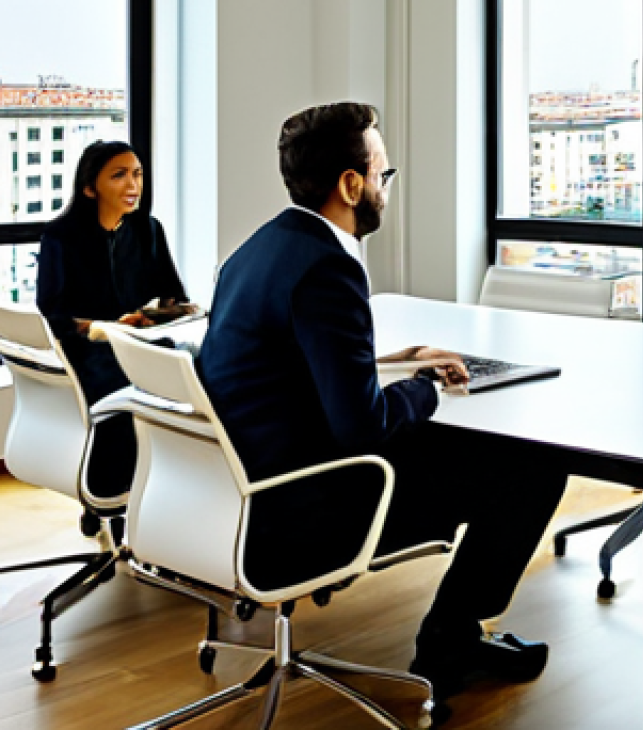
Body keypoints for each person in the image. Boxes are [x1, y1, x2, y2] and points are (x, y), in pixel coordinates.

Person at [198, 102, 567, 698]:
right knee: (533, 465)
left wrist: (399, 362)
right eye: (383, 176)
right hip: (306, 512)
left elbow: (288, 367)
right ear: (351, 184)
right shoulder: (328, 269)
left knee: (458, 448)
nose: (384, 191)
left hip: (243, 493)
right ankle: (451, 642)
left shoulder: (256, 252)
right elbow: (362, 431)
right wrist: (426, 389)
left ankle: (454, 634)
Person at [36, 140, 193, 497]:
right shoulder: (61, 238)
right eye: (119, 175)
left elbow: (174, 294)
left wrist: (166, 312)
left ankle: (166, 491)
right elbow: (53, 316)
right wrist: (104, 327)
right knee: (126, 391)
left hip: (142, 345)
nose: (133, 185)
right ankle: (113, 496)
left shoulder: (147, 230)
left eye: (137, 174)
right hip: (88, 352)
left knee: (198, 371)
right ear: (91, 187)